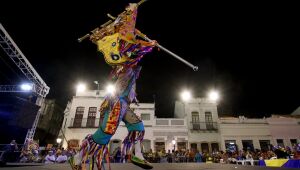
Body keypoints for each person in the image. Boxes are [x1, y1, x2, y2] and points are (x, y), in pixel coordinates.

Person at [69, 2, 156, 170]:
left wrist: (147, 45)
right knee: (104, 135)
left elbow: (135, 52)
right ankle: (77, 158)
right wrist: (148, 46)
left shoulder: (129, 66)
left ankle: (137, 156)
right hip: (115, 103)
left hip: (123, 104)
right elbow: (134, 53)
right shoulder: (124, 63)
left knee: (138, 127)